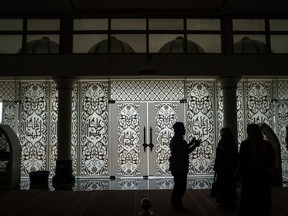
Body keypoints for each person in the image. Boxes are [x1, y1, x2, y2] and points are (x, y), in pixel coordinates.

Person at [239, 124, 274, 216]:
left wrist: (260, 160)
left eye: (252, 130)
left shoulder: (265, 144)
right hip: (250, 175)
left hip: (261, 175)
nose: (250, 132)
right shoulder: (245, 144)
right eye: (249, 130)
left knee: (261, 198)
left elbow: (270, 159)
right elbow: (242, 159)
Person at [169, 122, 201, 210]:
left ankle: (174, 201)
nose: (184, 130)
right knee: (181, 186)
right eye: (183, 128)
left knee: (178, 184)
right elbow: (185, 151)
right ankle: (177, 203)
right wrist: (195, 145)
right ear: (178, 130)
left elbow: (183, 148)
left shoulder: (176, 139)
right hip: (179, 166)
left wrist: (191, 143)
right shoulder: (179, 140)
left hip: (176, 165)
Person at [213, 127, 238, 208]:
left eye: (223, 133)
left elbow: (233, 156)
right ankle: (223, 200)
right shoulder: (222, 143)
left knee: (228, 185)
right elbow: (218, 155)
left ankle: (229, 201)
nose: (222, 135)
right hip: (222, 167)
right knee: (222, 184)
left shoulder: (230, 144)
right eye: (221, 133)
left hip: (228, 168)